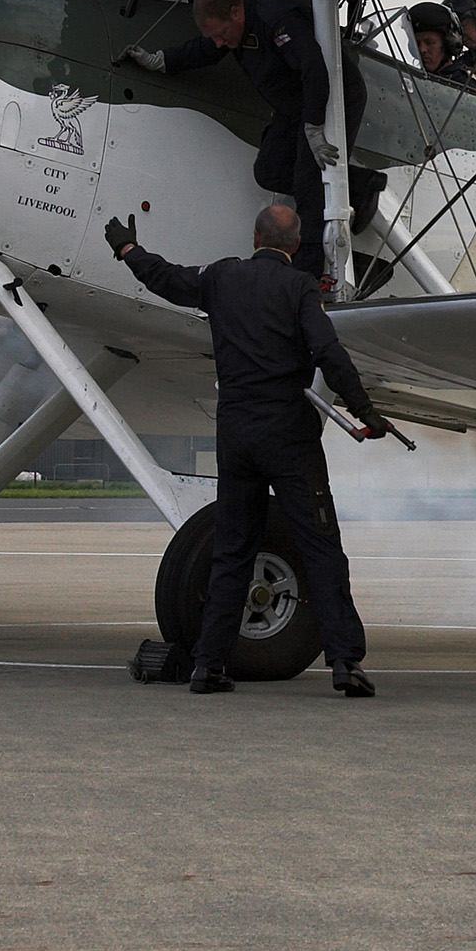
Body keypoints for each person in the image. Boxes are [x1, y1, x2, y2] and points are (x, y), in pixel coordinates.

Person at [104, 202, 391, 697]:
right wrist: (365, 411)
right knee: (320, 547)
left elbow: (167, 279)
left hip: (236, 433)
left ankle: (209, 663)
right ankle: (345, 661)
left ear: (254, 238)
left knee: (233, 549)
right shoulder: (301, 287)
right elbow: (328, 352)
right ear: (295, 245)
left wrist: (128, 250)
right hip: (289, 435)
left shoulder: (221, 279)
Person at [121, 0, 383, 285]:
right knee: (269, 170)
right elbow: (204, 49)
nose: (220, 43)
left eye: (221, 34)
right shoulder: (233, 28)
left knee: (310, 184)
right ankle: (361, 185)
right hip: (294, 104)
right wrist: (161, 61)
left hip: (332, 98)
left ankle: (305, 278)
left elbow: (313, 68)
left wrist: (314, 127)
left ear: (235, 11)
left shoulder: (276, 19)